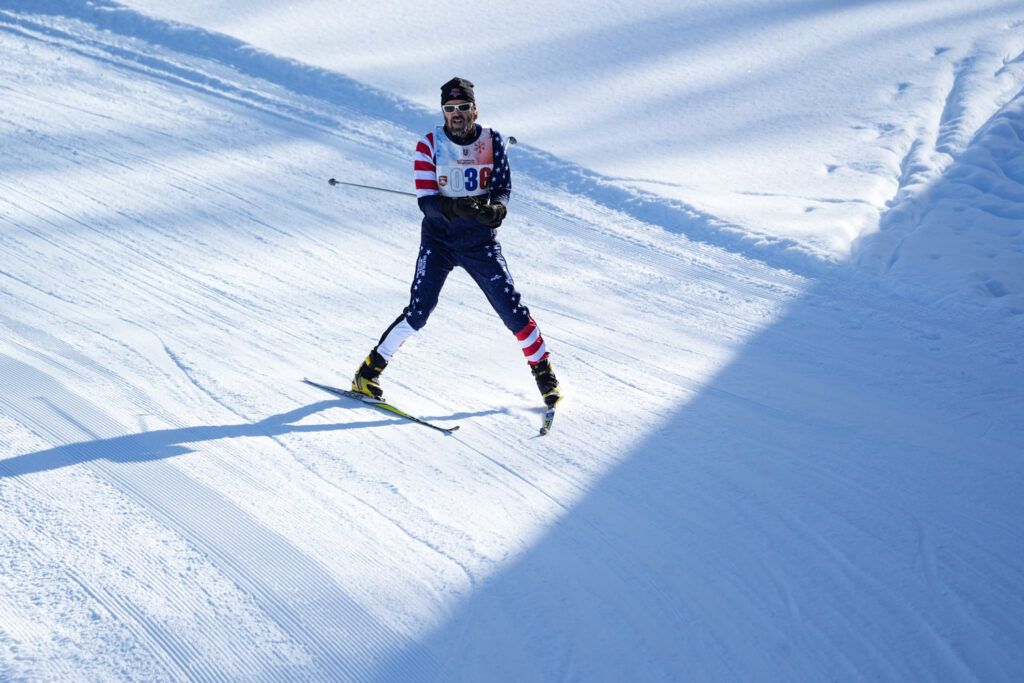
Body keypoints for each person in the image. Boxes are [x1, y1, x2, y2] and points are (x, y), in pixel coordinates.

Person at [351, 77, 561, 409]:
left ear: (474, 110)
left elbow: (502, 186)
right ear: (443, 112)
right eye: (450, 109)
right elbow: (427, 202)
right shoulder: (429, 144)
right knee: (419, 311)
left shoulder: (492, 141)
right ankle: (368, 372)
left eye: (463, 107)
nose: (457, 114)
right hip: (440, 240)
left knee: (511, 309)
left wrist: (497, 209)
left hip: (479, 242)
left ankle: (544, 373)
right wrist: (453, 206)